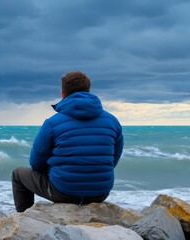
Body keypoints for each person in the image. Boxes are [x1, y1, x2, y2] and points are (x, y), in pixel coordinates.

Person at [12, 71, 124, 212]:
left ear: (63, 94)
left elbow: (36, 163)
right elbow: (113, 159)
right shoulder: (112, 121)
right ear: (88, 91)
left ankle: (23, 222)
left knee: (18, 174)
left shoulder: (52, 123)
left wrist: (55, 171)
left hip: (64, 192)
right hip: (100, 192)